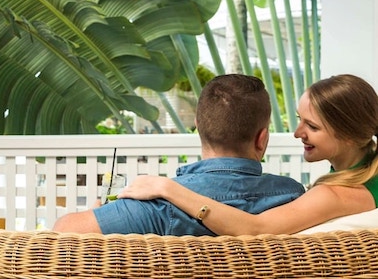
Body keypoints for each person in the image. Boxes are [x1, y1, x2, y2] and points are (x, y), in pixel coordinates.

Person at [118, 73, 378, 235]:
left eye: (312, 126)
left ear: (350, 135)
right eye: (300, 120)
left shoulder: (336, 194)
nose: (297, 133)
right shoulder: (359, 175)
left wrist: (168, 188)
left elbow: (255, 230)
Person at [52, 74, 306, 234]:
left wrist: (98, 210)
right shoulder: (292, 198)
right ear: (262, 139)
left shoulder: (154, 205)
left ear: (199, 125)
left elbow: (63, 233)